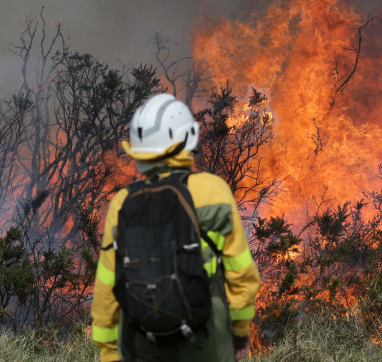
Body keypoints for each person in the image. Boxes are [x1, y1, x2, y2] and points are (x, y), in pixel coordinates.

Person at [91, 93, 261, 362]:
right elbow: (241, 274)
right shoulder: (214, 192)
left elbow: (107, 285)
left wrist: (109, 351)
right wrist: (240, 329)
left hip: (141, 343)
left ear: (138, 151)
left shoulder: (122, 203)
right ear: (187, 139)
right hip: (206, 342)